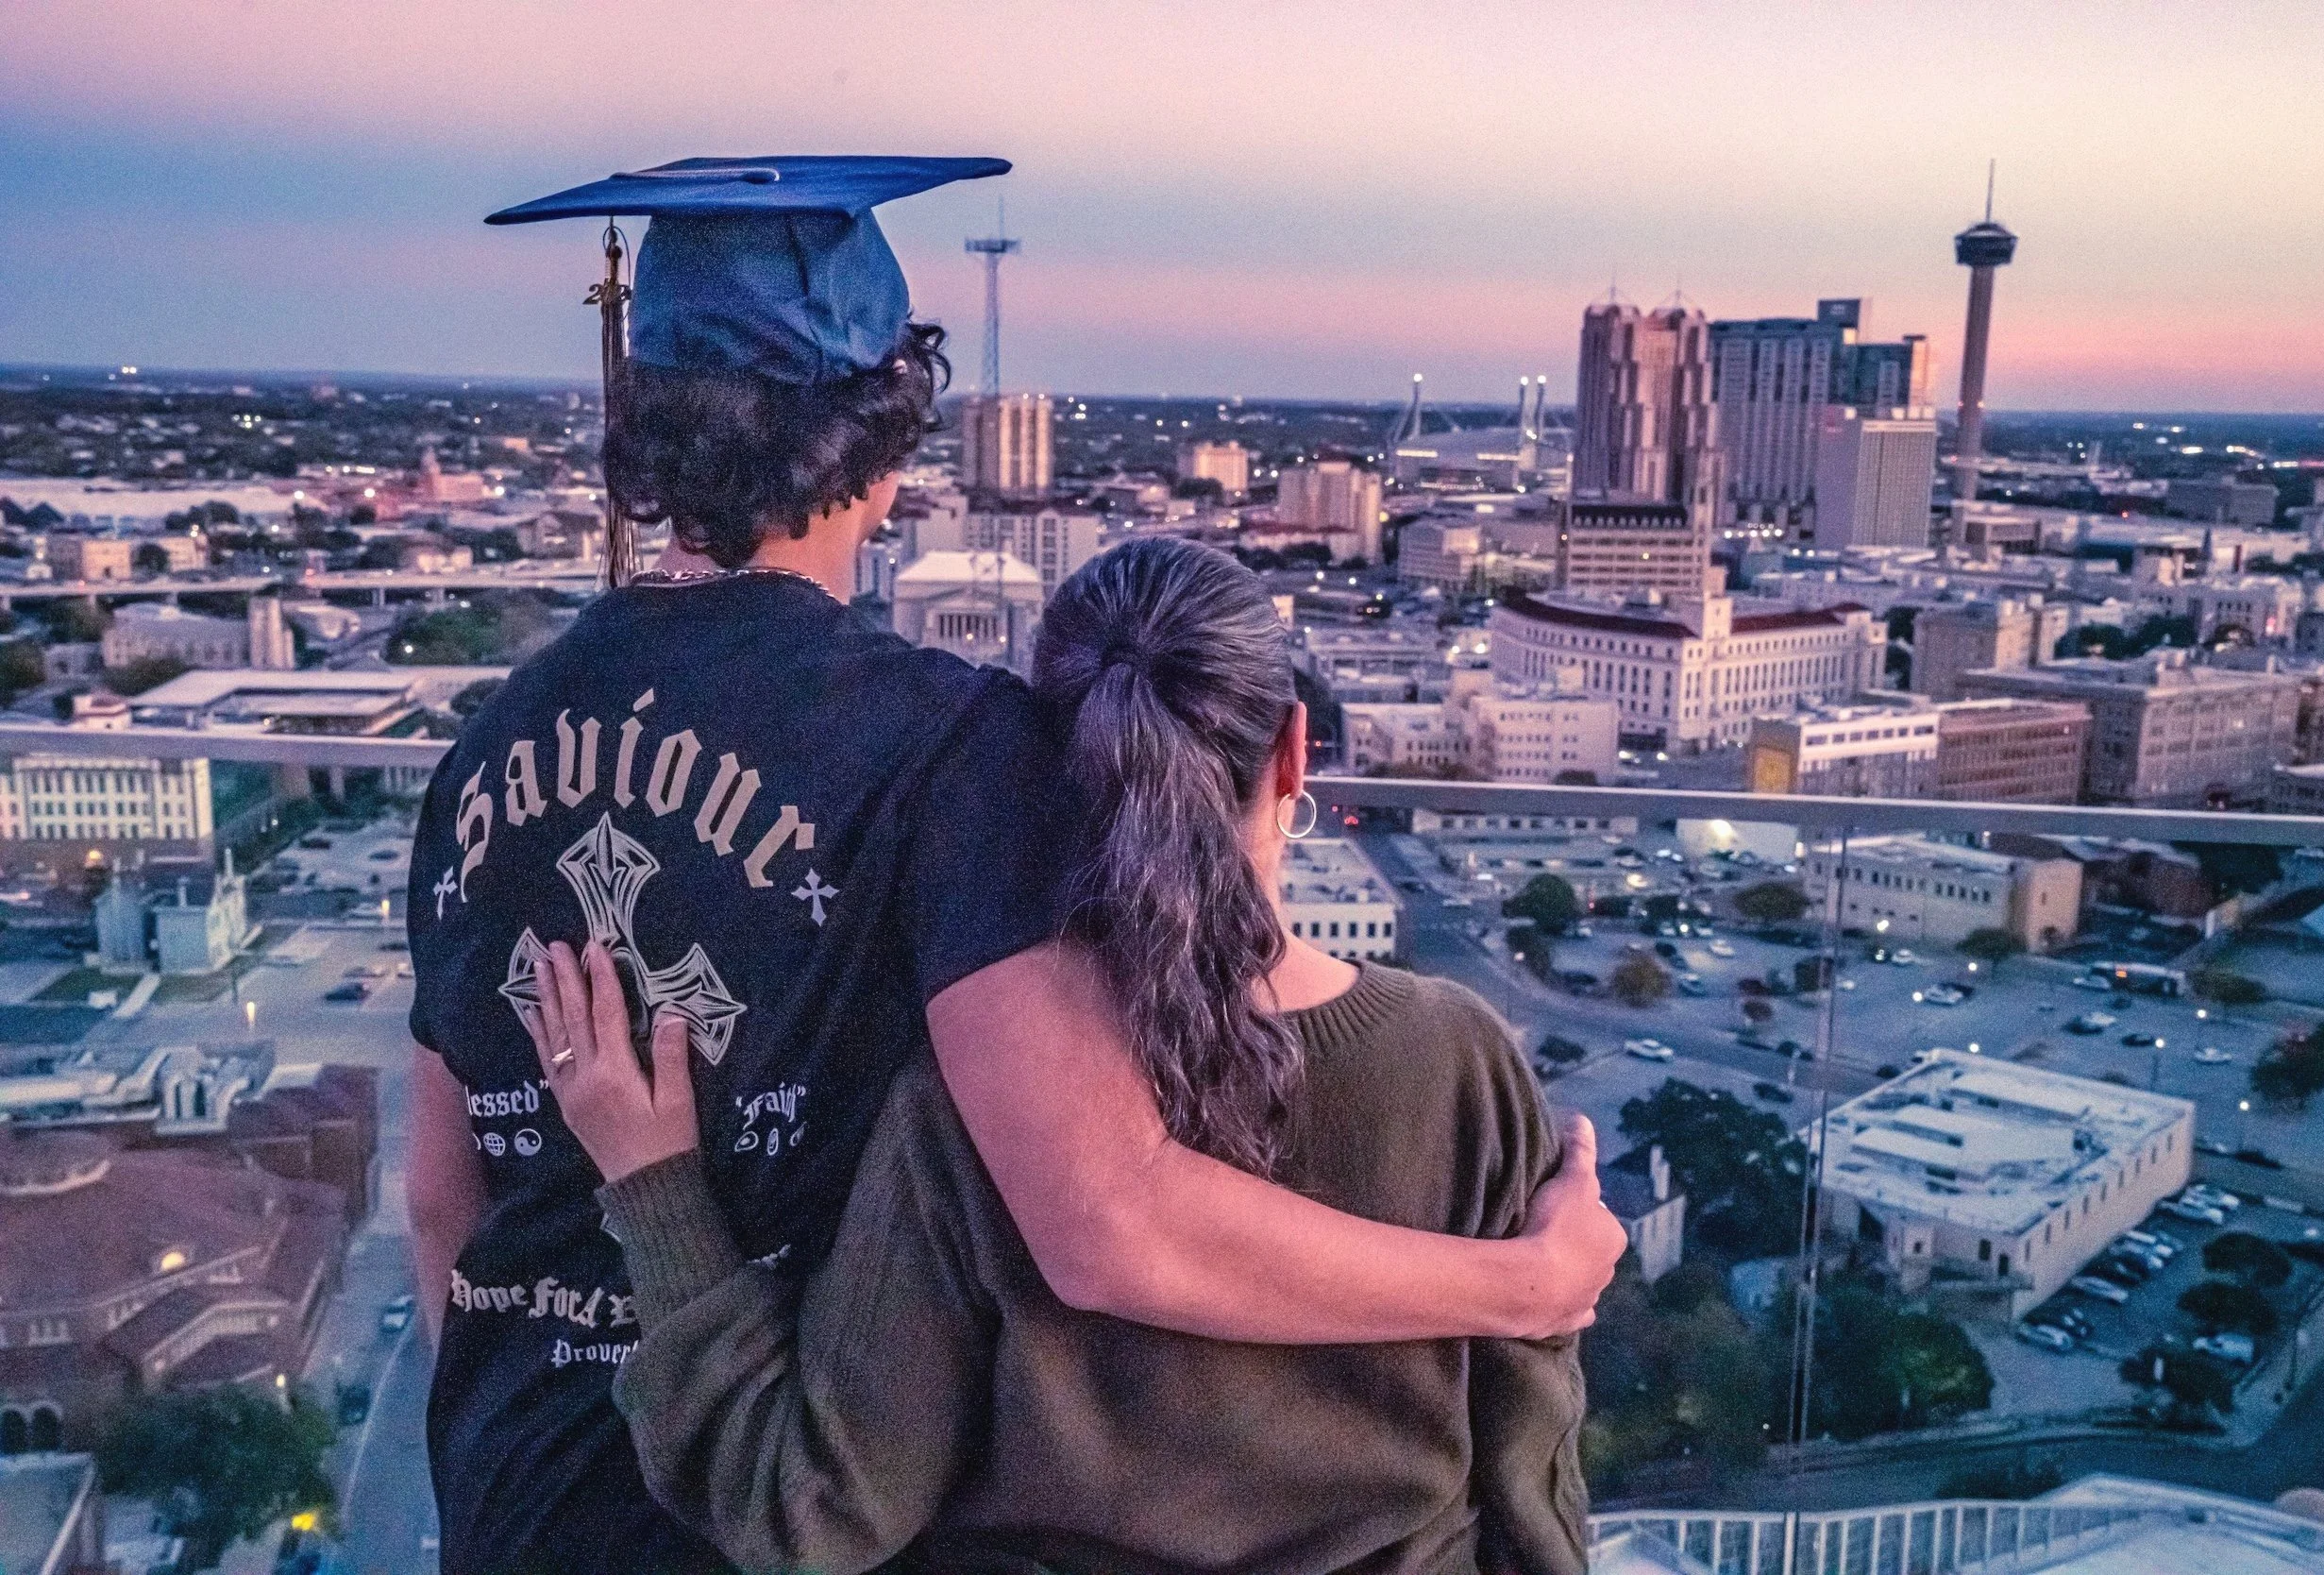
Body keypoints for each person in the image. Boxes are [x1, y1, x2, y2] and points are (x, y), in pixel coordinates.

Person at [409, 157, 1624, 1575]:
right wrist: (1522, 1283)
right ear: (882, 443)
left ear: (642, 424)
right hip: (745, 1510)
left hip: (513, 1495)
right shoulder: (949, 749)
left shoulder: (478, 756)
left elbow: (445, 1199)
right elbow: (1106, 1221)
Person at [527, 537, 1619, 1574]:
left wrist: (653, 1184)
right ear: (1293, 753)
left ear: (1046, 771)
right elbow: (1532, 1484)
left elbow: (809, 1509)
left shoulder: (978, 1104)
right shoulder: (1459, 1063)